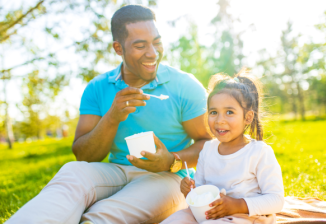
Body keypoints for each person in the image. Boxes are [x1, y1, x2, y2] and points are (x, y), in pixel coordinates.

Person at [5, 5, 211, 224]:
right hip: (115, 171)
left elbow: (208, 143)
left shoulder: (184, 85)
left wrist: (171, 160)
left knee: (104, 216)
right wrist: (112, 117)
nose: (153, 53)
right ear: (118, 49)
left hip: (169, 177)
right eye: (140, 46)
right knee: (72, 172)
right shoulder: (98, 87)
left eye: (157, 42)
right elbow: (84, 155)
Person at [161, 70, 284, 224]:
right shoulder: (208, 149)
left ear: (248, 117)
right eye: (213, 112)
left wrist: (237, 205)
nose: (219, 120)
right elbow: (200, 191)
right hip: (208, 215)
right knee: (175, 219)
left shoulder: (259, 152)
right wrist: (190, 191)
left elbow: (276, 200)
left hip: (245, 217)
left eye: (229, 112)